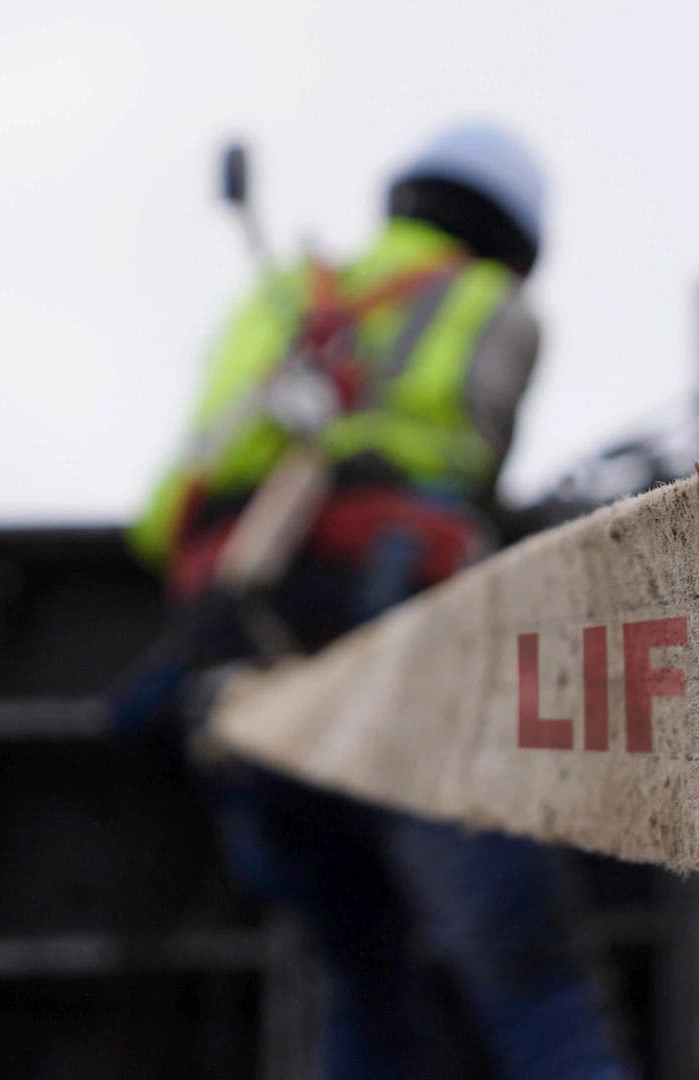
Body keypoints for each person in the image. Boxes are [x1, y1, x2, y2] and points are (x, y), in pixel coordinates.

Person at [115, 123, 633, 1080]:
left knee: (362, 975)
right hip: (399, 649)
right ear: (514, 237)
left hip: (246, 683)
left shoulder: (279, 295)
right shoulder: (489, 306)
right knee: (535, 986)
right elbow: (469, 470)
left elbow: (161, 521)